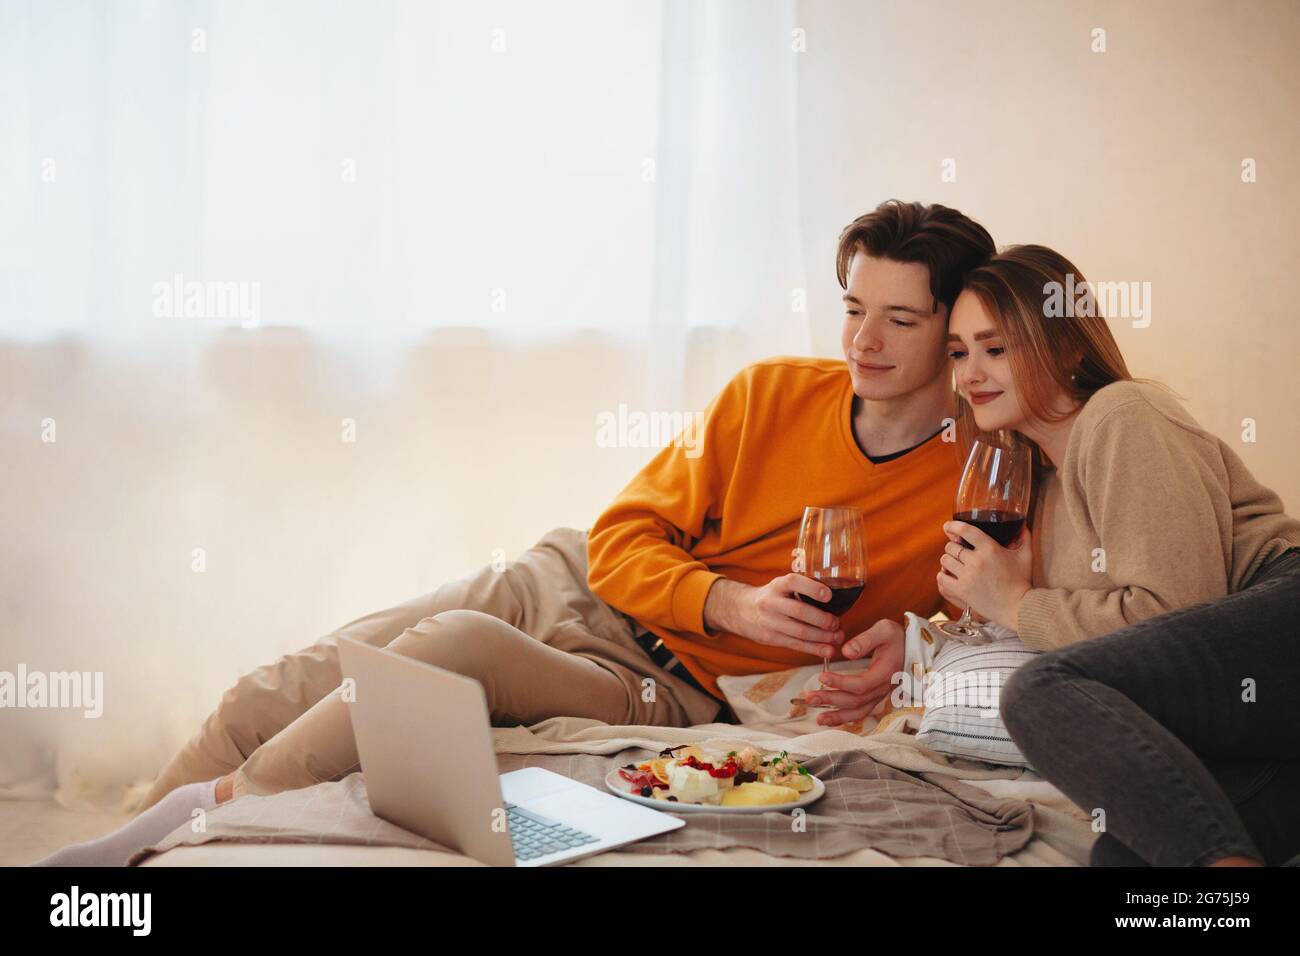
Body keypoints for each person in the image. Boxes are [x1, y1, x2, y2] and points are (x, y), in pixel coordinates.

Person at [33, 200, 993, 866]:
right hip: (568, 579)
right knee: (273, 691)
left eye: (898, 320)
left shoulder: (980, 472)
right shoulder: (773, 392)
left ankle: (189, 831)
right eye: (854, 309)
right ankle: (120, 866)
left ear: (957, 328)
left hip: (667, 688)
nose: (861, 341)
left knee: (451, 652)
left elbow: (972, 635)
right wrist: (728, 597)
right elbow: (621, 536)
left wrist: (900, 648)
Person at [937, 244, 1300, 867]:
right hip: (1262, 717)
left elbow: (1179, 613)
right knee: (1123, 861)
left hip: (1283, 613)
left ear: (1070, 347)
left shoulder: (1123, 415)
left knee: (1037, 691)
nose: (970, 374)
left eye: (996, 349)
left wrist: (1019, 604)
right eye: (958, 353)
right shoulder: (1036, 486)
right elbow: (1119, 642)